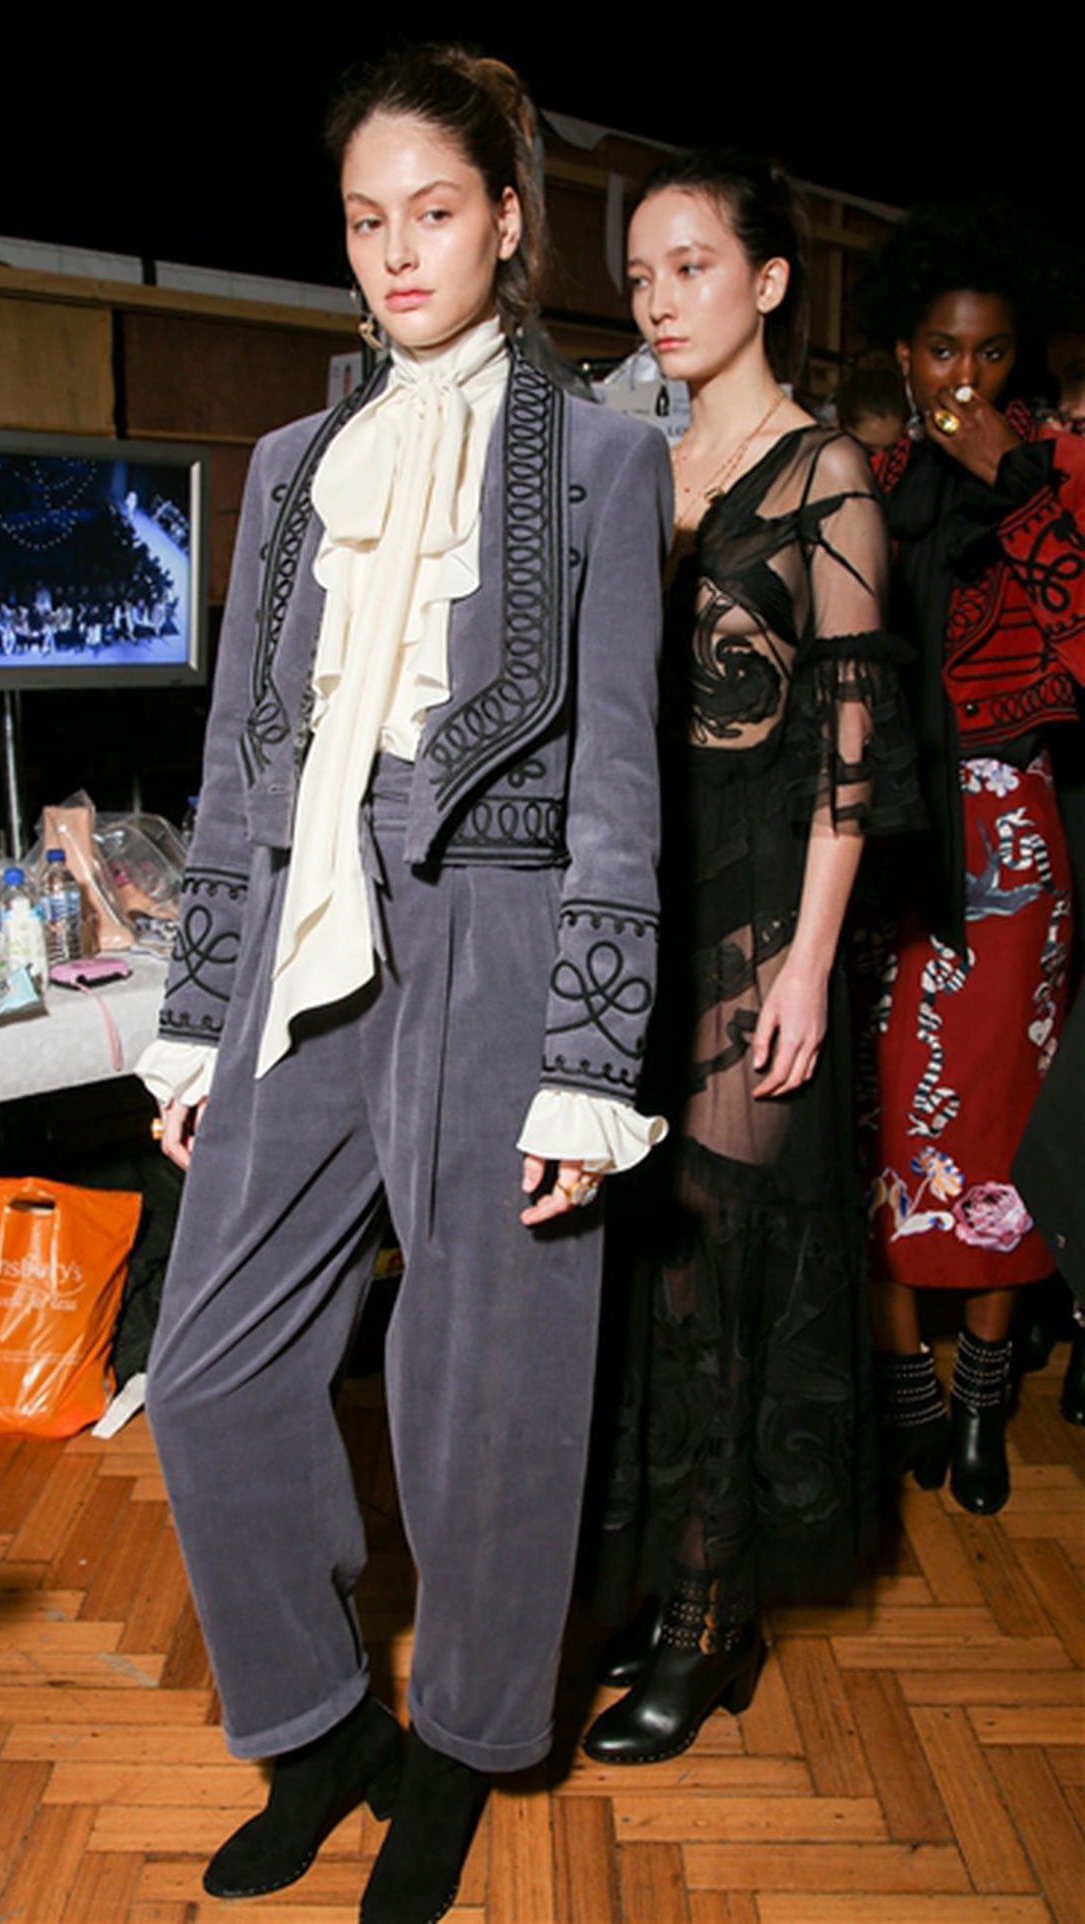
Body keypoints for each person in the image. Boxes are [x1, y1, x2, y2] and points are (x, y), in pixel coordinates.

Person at [135, 45, 669, 1924]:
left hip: (502, 927)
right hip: (305, 918)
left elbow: (619, 783)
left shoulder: (607, 457)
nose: (398, 252)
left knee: (489, 1382)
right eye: (368, 221)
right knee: (205, 1367)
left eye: (434, 211)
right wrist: (194, 1018)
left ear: (508, 220)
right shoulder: (293, 468)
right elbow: (234, 768)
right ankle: (315, 1726)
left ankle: (463, 1743)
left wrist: (591, 1056)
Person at [581, 151, 918, 1766]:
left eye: (693, 265)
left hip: (765, 913)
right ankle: (659, 1577)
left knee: (726, 1266)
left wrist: (807, 966)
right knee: (646, 1256)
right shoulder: (640, 462)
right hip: (639, 901)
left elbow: (855, 749)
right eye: (642, 274)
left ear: (770, 281)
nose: (661, 299)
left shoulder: (826, 470)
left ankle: (713, 1619)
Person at [855, 204, 1085, 1515]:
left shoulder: (1060, 473)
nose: (965, 379)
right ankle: (909, 1384)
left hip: (1011, 842)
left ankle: (988, 1393)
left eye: (990, 353)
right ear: (904, 354)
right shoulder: (868, 481)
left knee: (998, 1115)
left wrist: (1022, 488)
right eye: (943, 351)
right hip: (891, 837)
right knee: (882, 1111)